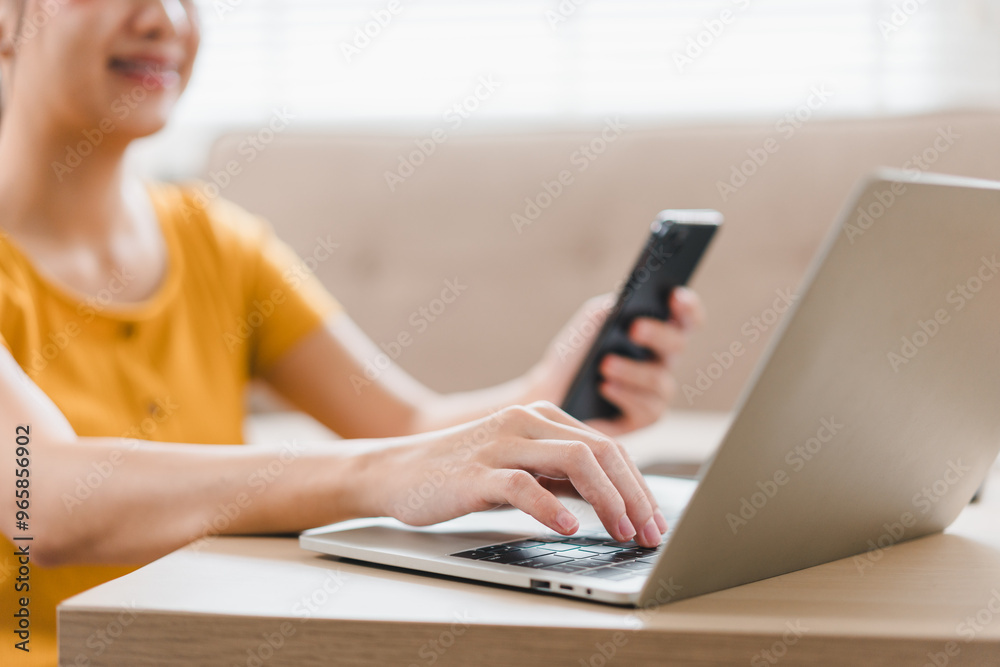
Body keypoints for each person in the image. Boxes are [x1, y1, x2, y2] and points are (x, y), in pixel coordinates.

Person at [0, 1, 704, 663]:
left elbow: (408, 422)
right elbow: (48, 500)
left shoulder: (217, 243)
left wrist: (548, 397)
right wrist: (384, 474)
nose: (165, 20)